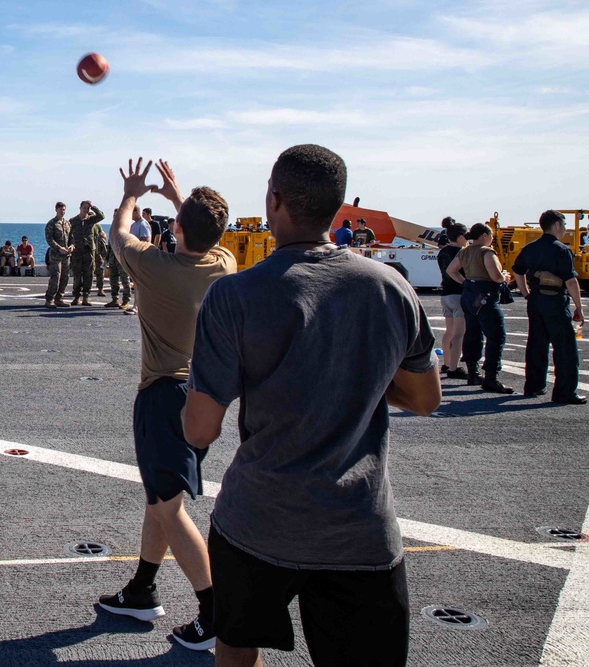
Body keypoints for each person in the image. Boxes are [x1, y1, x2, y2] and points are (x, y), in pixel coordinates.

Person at [184, 144, 441, 667]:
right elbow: (425, 398)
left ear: (273, 200)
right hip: (360, 528)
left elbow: (200, 430)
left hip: (258, 519)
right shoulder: (391, 287)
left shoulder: (234, 296)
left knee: (236, 648)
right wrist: (355, 368)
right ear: (338, 209)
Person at [99, 158, 236, 651]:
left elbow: (117, 233)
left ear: (176, 228)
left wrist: (132, 194)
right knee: (163, 499)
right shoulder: (223, 265)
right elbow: (205, 231)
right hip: (205, 397)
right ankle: (141, 589)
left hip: (162, 396)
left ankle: (214, 609)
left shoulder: (154, 265)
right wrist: (180, 198)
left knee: (169, 506)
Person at [513, 210, 586, 404]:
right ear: (556, 225)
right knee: (565, 347)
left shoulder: (530, 248)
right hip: (555, 300)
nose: (565, 229)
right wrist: (579, 307)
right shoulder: (561, 250)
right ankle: (565, 392)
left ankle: (534, 386)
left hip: (535, 299)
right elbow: (571, 282)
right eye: (564, 224)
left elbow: (517, 272)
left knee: (537, 343)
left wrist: (526, 293)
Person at [446, 222, 513, 393]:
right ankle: (491, 377)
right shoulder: (486, 252)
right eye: (490, 236)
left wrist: (467, 283)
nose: (491, 239)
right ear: (484, 235)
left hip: (469, 295)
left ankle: (472, 372)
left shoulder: (465, 251)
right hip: (485, 296)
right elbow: (496, 276)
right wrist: (504, 277)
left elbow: (451, 270)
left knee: (473, 333)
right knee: (496, 336)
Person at [437, 223, 469, 379]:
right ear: (460, 237)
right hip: (459, 294)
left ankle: (446, 363)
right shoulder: (462, 253)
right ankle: (454, 368)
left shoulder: (442, 251)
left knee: (449, 331)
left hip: (445, 294)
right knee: (459, 333)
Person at [69, 200, 106, 305]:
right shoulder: (73, 221)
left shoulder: (91, 220)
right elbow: (69, 235)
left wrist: (93, 206)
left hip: (89, 251)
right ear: (80, 208)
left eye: (87, 208)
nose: (86, 210)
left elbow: (101, 216)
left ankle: (86, 296)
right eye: (84, 208)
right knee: (77, 275)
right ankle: (76, 296)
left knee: (88, 275)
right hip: (77, 252)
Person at [44, 202, 74, 308]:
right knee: (55, 277)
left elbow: (71, 237)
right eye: (60, 209)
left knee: (65, 277)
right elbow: (49, 239)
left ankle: (59, 298)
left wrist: (72, 246)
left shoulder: (67, 224)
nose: (62, 211)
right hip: (56, 255)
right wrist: (58, 248)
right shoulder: (51, 224)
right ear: (56, 210)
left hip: (66, 255)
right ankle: (49, 299)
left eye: (64, 209)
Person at [104, 210, 132, 309]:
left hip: (122, 258)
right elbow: (110, 245)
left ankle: (126, 300)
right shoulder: (112, 229)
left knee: (125, 280)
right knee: (113, 280)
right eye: (114, 216)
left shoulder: (125, 229)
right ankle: (115, 299)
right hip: (112, 258)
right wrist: (107, 258)